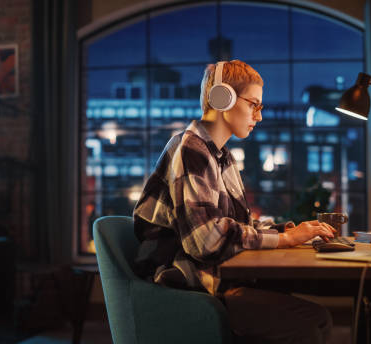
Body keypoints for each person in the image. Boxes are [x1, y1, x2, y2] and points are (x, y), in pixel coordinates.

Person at [133, 60, 337, 343]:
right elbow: (205, 240)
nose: (259, 116)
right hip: (185, 290)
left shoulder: (221, 156)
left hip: (212, 281)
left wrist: (290, 231)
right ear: (222, 97)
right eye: (253, 104)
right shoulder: (190, 148)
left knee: (317, 318)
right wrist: (285, 240)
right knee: (311, 321)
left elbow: (240, 227)